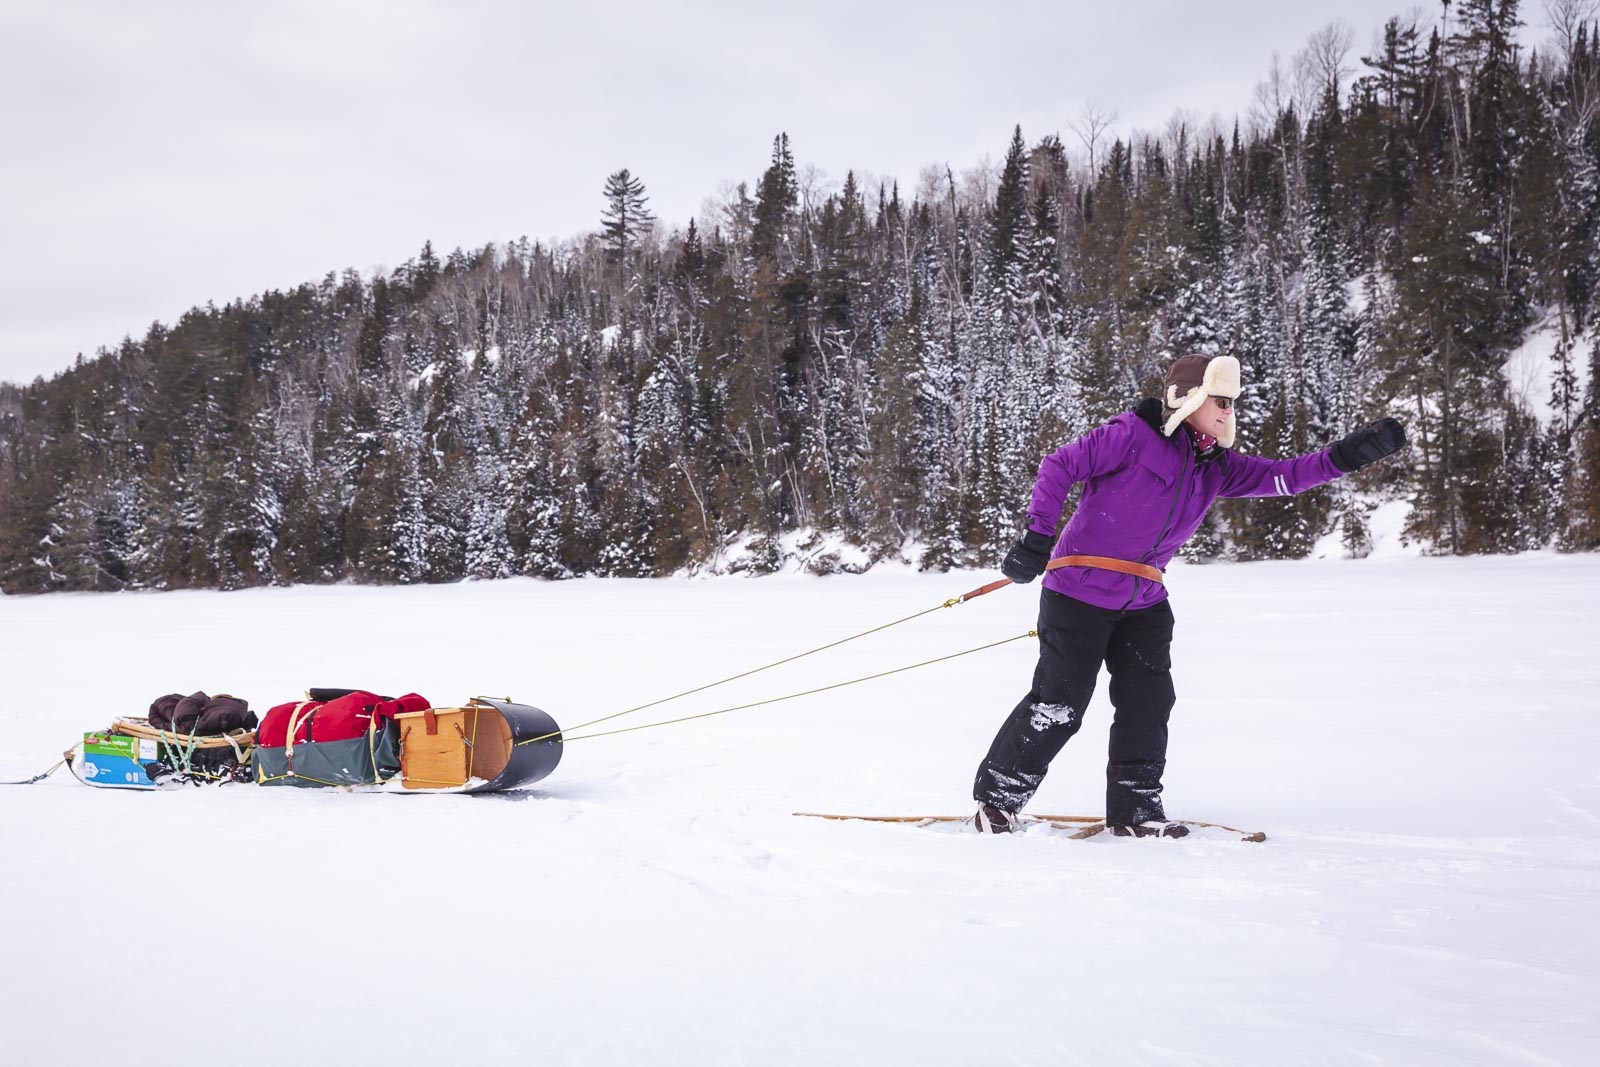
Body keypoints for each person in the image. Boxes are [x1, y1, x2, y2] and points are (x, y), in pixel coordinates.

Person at [972, 352, 1406, 836]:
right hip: (1078, 593)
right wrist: (1036, 537)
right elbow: (1060, 465)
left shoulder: (1216, 467)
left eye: (1232, 403)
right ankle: (997, 802)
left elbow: (1285, 476)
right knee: (1060, 705)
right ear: (1191, 398)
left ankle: (1136, 811)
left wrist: (1347, 456)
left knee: (1148, 704)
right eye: (1220, 400)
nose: (1228, 411)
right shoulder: (1130, 436)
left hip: (1144, 602)